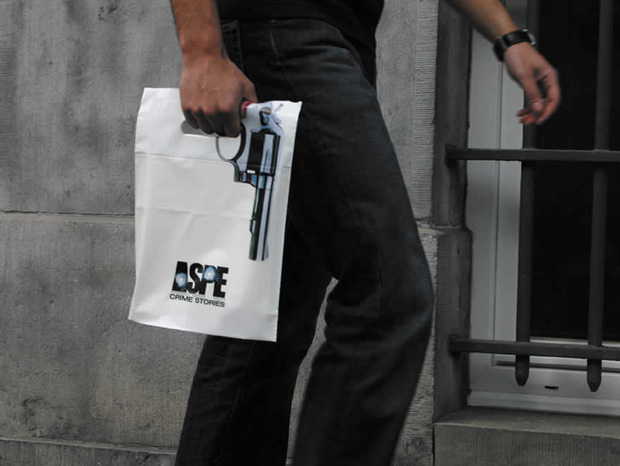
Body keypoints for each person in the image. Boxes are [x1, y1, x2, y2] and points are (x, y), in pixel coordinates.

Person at [169, 1, 560, 465]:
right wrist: (201, 52)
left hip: (326, 40)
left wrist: (509, 37)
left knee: (264, 321)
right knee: (388, 295)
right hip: (285, 34)